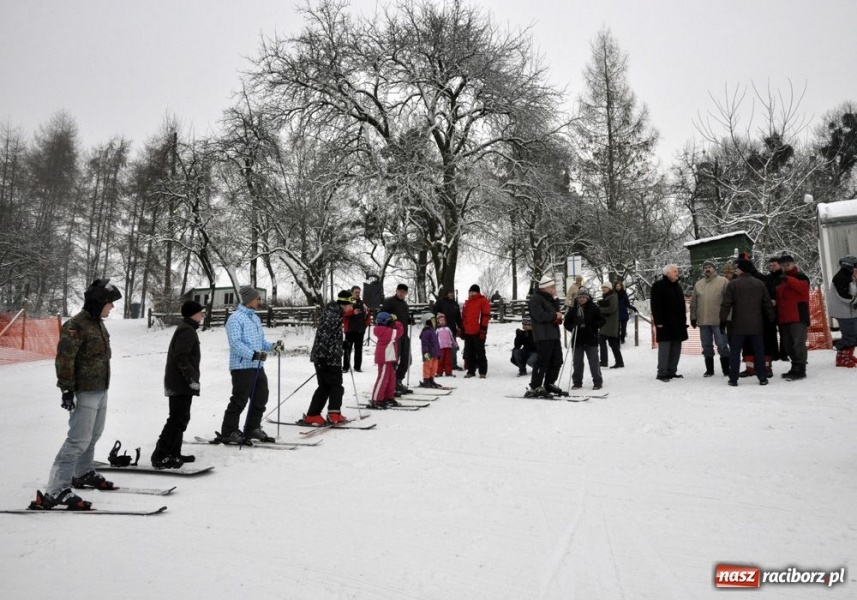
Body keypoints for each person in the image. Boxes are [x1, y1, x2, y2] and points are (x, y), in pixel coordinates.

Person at [31, 279, 122, 510]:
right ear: (98, 302)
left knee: (94, 435)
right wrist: (67, 390)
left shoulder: (98, 323)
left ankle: (83, 473)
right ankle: (56, 489)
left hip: (101, 389)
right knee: (77, 440)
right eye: (109, 303)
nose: (111, 308)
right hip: (84, 391)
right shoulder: (76, 325)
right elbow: (65, 359)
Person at [219, 285, 283, 445]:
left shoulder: (255, 318)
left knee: (261, 397)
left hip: (257, 366)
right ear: (249, 300)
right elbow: (235, 344)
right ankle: (229, 431)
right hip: (241, 367)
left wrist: (273, 346)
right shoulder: (235, 319)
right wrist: (253, 354)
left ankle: (252, 428)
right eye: (257, 299)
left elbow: (260, 342)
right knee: (239, 399)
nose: (259, 301)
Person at [151, 300, 204, 469]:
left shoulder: (187, 329)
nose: (203, 315)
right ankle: (160, 455)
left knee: (181, 418)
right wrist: (190, 379)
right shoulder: (187, 331)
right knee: (176, 419)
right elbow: (181, 357)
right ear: (192, 314)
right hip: (180, 383)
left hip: (180, 382)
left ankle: (174, 453)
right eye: (200, 312)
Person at [301, 290, 356, 425]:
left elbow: (328, 335)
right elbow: (323, 337)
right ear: (344, 303)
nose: (352, 307)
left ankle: (313, 414)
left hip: (329, 355)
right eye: (350, 304)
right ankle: (333, 414)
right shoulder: (332, 315)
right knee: (336, 386)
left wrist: (340, 343)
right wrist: (321, 359)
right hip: (327, 358)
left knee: (325, 386)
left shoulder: (334, 313)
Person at [720, 259, 775, 386]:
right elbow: (767, 303)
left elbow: (726, 304)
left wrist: (722, 320)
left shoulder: (733, 284)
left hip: (738, 325)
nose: (736, 270)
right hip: (757, 325)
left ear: (742, 270)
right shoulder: (759, 283)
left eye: (738, 268)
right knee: (759, 352)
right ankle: (762, 377)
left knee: (735, 352)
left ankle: (733, 378)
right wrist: (771, 317)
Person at [689, 260, 730, 377]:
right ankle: (709, 370)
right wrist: (693, 317)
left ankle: (726, 370)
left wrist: (727, 318)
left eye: (710, 267)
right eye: (705, 267)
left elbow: (728, 302)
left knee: (722, 345)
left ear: (715, 268)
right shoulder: (699, 284)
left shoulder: (723, 282)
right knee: (706, 346)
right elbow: (693, 303)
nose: (707, 269)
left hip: (718, 320)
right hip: (703, 321)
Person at [526, 275, 565, 397]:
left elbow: (557, 311)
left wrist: (555, 298)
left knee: (557, 360)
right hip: (543, 336)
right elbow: (540, 316)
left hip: (553, 335)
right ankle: (535, 386)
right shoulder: (535, 299)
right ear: (545, 287)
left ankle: (549, 384)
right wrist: (555, 315)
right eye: (552, 287)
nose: (554, 288)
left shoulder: (550, 299)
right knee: (543, 362)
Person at [775, 254, 811, 381]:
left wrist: (788, 279)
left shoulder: (800, 277)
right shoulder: (780, 280)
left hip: (798, 316)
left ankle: (801, 368)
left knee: (798, 343)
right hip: (785, 317)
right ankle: (795, 365)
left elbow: (803, 289)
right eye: (783, 265)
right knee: (788, 345)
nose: (786, 267)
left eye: (788, 265)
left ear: (793, 264)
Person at [651, 264, 688, 382]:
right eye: (675, 271)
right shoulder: (658, 286)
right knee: (665, 349)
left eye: (677, 271)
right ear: (668, 273)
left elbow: (681, 306)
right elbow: (655, 305)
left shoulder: (678, 287)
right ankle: (662, 373)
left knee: (676, 349)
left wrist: (683, 321)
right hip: (665, 324)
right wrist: (658, 321)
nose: (677, 273)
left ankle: (672, 371)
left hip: (678, 324)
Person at [564, 287, 605, 390]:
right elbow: (566, 323)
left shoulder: (594, 308)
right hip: (577, 339)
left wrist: (594, 326)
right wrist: (573, 325)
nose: (581, 299)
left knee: (593, 362)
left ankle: (597, 381)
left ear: (587, 298)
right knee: (577, 362)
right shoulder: (573, 309)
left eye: (583, 297)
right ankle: (577, 382)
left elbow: (602, 320)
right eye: (579, 297)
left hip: (591, 338)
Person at [381, 284, 412, 393]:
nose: (401, 293)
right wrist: (390, 320)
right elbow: (381, 316)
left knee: (407, 359)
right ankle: (390, 383)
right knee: (393, 360)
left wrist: (409, 319)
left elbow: (404, 318)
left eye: (404, 291)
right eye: (400, 291)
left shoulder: (404, 304)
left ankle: (398, 381)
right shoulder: (389, 301)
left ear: (406, 293)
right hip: (394, 336)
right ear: (396, 290)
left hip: (404, 335)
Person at [369, 311, 404, 408]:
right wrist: (396, 321)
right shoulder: (386, 331)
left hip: (388, 358)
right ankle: (376, 399)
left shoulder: (385, 330)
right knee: (382, 378)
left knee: (391, 378)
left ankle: (388, 397)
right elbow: (400, 331)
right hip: (384, 359)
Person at [828, 256, 857, 368]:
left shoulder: (847, 276)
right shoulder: (841, 277)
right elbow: (843, 295)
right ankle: (841, 356)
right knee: (850, 335)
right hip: (845, 312)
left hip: (849, 311)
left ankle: (847, 354)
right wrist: (855, 301)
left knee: (853, 334)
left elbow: (852, 291)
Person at [461, 284, 491, 378]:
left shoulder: (483, 301)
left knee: (480, 352)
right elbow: (464, 316)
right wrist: (464, 328)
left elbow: (485, 315)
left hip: (478, 330)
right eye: (470, 292)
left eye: (472, 292)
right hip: (468, 331)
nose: (471, 293)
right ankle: (471, 371)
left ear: (477, 292)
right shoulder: (467, 303)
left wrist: (483, 329)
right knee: (469, 352)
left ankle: (482, 372)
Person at [433, 288, 463, 371]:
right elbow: (433, 310)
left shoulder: (455, 304)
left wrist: (460, 326)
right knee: (441, 348)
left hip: (452, 329)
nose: (451, 294)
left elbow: (458, 318)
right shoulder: (441, 302)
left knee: (453, 347)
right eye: (450, 293)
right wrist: (438, 314)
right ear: (446, 294)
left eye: (452, 293)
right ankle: (441, 365)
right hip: (441, 330)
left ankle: (453, 364)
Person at [343, 285, 370, 373]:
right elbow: (343, 315)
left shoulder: (363, 303)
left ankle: (357, 367)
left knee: (359, 350)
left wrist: (366, 323)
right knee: (348, 349)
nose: (358, 294)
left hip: (360, 330)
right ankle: (345, 367)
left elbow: (366, 315)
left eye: (359, 292)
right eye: (356, 292)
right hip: (350, 330)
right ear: (352, 293)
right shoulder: (347, 302)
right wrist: (352, 312)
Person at [597, 283, 624, 368]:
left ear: (609, 288)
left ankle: (604, 361)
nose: (603, 289)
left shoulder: (613, 296)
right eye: (602, 287)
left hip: (610, 323)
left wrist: (599, 309)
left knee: (603, 340)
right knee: (612, 343)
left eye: (605, 287)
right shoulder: (608, 296)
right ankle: (619, 361)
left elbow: (612, 309)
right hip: (607, 323)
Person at [418, 313, 442, 388]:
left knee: (434, 367)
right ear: (428, 321)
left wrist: (438, 353)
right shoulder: (426, 332)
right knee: (427, 366)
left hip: (434, 353)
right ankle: (426, 380)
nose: (435, 322)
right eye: (433, 321)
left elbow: (436, 343)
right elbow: (424, 344)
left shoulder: (432, 331)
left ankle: (431, 379)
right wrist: (426, 352)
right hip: (428, 353)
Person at [435, 313, 457, 377]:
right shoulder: (437, 330)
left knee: (448, 360)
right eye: (441, 320)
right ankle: (439, 372)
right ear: (438, 321)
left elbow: (451, 337)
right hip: (440, 347)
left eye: (443, 320)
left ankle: (448, 372)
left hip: (448, 347)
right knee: (440, 360)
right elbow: (435, 339)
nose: (442, 321)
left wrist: (455, 344)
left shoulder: (448, 329)